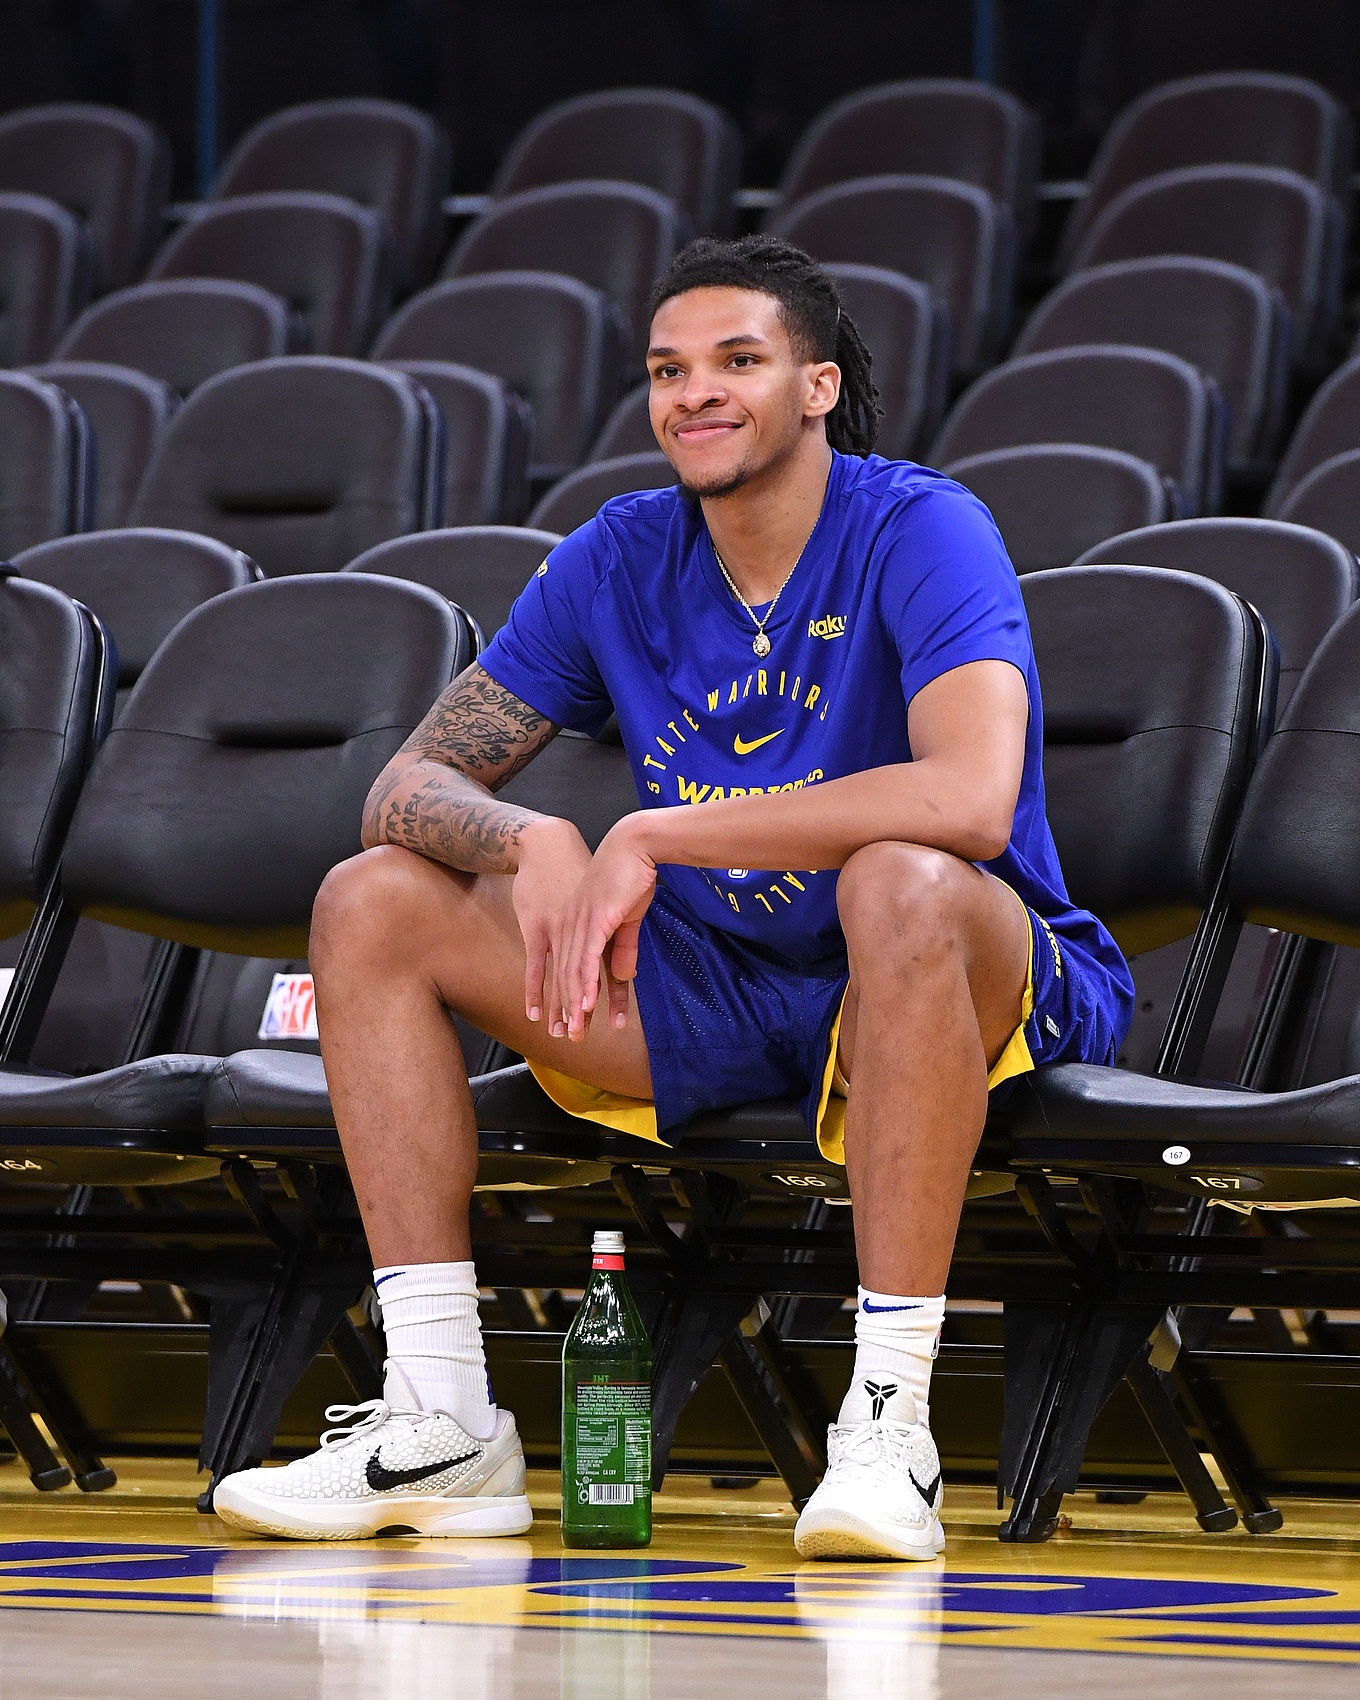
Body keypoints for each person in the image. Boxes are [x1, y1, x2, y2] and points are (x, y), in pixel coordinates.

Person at [212, 235, 1134, 1557]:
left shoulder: (923, 525)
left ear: (816, 386)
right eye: (667, 369)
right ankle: (440, 1417)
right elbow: (407, 784)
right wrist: (531, 838)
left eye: (737, 361)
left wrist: (655, 831)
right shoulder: (618, 553)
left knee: (901, 880)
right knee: (373, 900)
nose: (694, 392)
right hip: (722, 984)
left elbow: (971, 800)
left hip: (962, 968)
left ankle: (889, 1432)